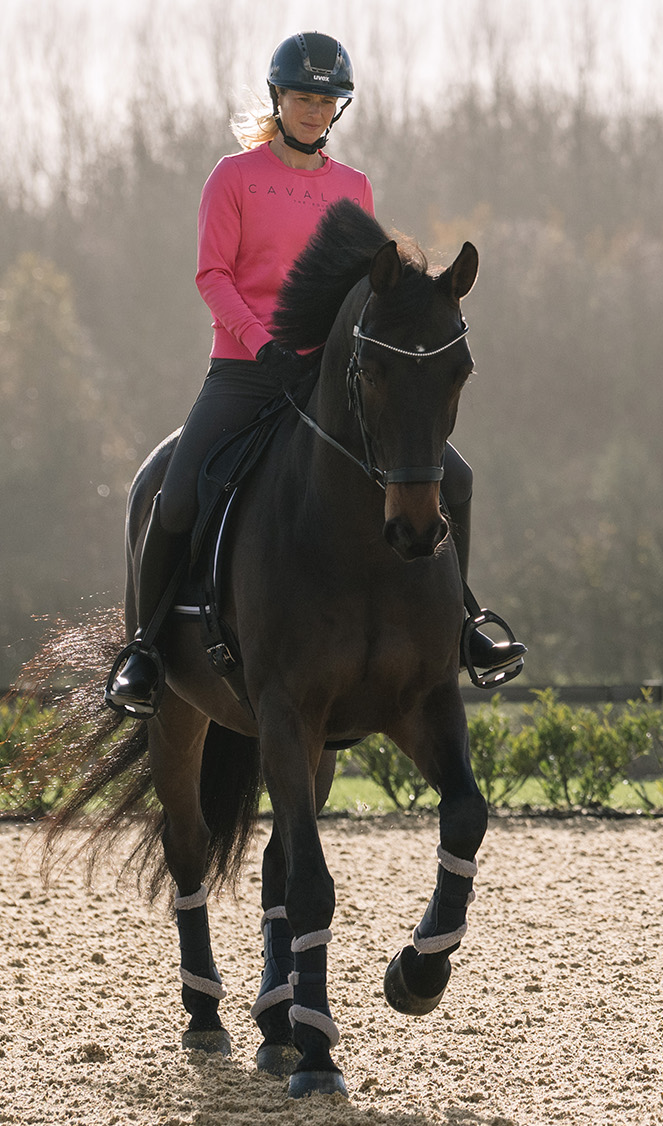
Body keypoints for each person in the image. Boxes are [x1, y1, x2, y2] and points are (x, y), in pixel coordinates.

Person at [105, 31, 525, 718]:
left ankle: (459, 632)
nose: (313, 110)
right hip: (244, 371)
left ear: (340, 108)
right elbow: (212, 276)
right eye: (302, 97)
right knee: (175, 494)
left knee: (461, 478)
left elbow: (366, 292)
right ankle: (145, 653)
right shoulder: (232, 178)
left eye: (326, 100)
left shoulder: (352, 187)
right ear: (279, 98)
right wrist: (260, 340)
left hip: (331, 379)